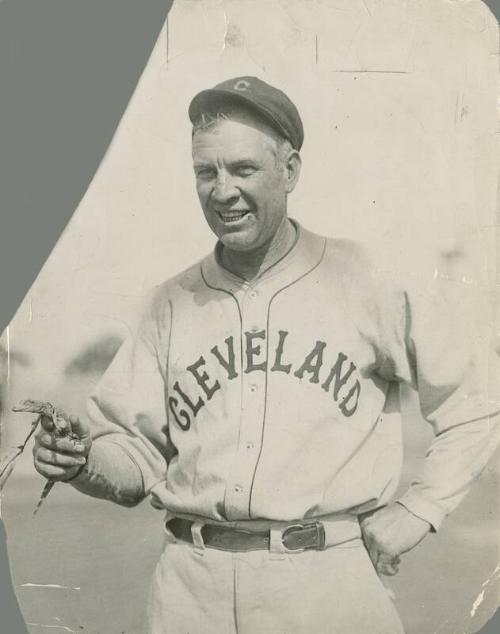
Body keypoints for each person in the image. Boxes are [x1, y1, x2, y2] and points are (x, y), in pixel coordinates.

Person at [32, 76, 500, 633]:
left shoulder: (366, 279)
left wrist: (420, 509)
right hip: (189, 589)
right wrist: (82, 462)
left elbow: (477, 403)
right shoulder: (171, 303)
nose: (222, 190)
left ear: (291, 171)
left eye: (243, 169)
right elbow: (133, 456)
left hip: (323, 585)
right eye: (206, 172)